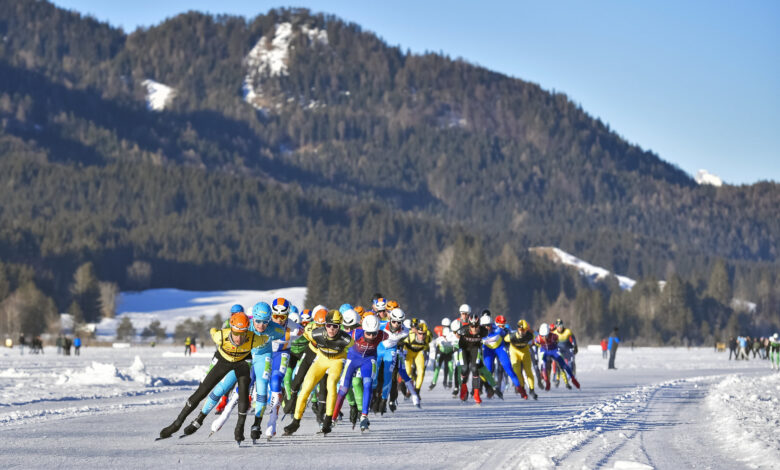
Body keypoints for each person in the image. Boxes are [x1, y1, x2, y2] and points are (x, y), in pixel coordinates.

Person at [158, 310, 265, 444]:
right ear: (231, 329)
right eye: (236, 334)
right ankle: (176, 424)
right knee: (201, 392)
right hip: (223, 361)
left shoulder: (255, 338)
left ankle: (239, 429)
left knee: (243, 392)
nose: (239, 338)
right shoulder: (220, 336)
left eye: (243, 334)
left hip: (242, 363)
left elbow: (270, 336)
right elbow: (212, 330)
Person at [283, 310, 353, 436]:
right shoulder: (315, 333)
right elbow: (296, 334)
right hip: (321, 360)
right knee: (306, 388)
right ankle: (296, 421)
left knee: (331, 385)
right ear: (324, 324)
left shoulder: (347, 339)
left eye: (335, 326)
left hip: (336, 361)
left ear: (340, 326)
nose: (331, 329)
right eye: (328, 325)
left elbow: (356, 353)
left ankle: (327, 420)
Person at [331, 314, 388, 432]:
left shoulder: (383, 335)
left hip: (369, 360)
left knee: (367, 384)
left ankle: (364, 416)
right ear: (364, 329)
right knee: (343, 389)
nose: (372, 337)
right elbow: (338, 337)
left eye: (374, 334)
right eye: (369, 333)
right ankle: (333, 418)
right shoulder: (355, 333)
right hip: (352, 359)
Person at [505, 319, 537, 399]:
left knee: (528, 371)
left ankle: (532, 390)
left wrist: (532, 332)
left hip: (525, 351)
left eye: (525, 330)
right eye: (521, 329)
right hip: (515, 352)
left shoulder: (530, 335)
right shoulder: (511, 336)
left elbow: (539, 335)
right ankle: (522, 389)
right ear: (517, 329)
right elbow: (504, 339)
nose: (522, 332)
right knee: (517, 372)